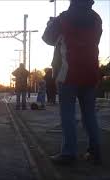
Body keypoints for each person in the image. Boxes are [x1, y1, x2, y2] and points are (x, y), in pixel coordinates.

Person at [42, 0, 102, 165]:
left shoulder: (64, 17)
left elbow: (48, 38)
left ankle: (69, 153)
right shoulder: (97, 18)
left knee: (67, 114)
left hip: (69, 72)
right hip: (91, 72)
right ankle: (95, 151)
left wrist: (51, 23)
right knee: (89, 114)